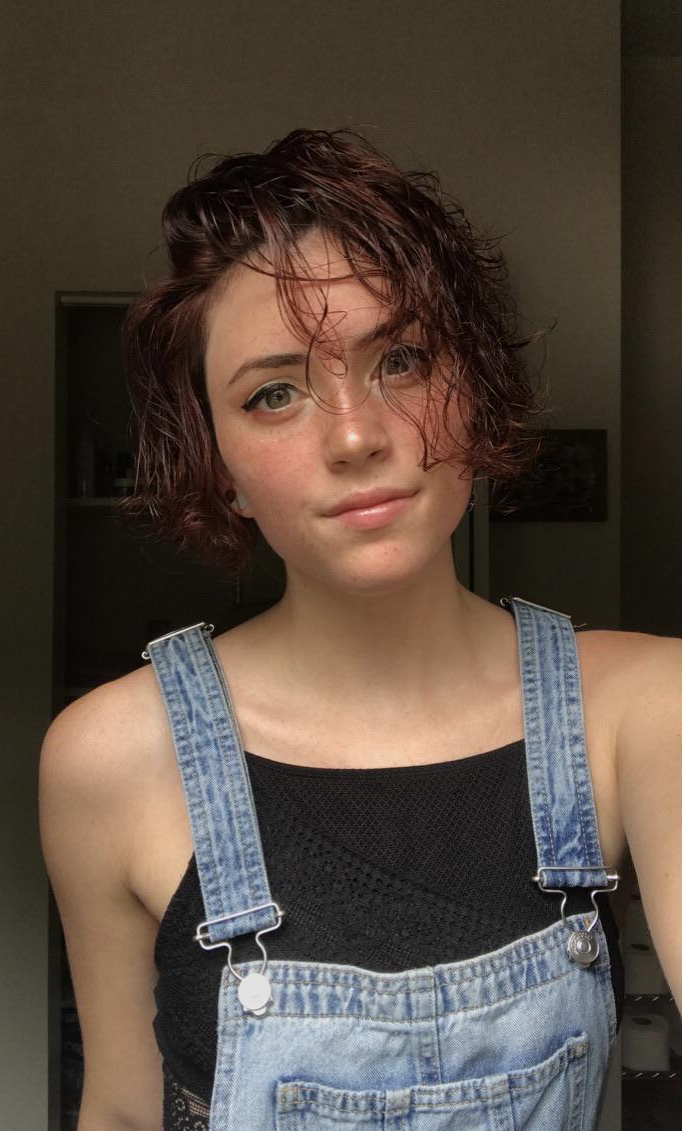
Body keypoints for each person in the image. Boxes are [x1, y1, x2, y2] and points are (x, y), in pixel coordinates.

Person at [39, 127, 680, 1131]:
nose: (353, 435)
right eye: (274, 394)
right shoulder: (110, 758)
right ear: (220, 465)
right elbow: (121, 1110)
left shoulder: (641, 708)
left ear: (473, 389)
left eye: (404, 360)